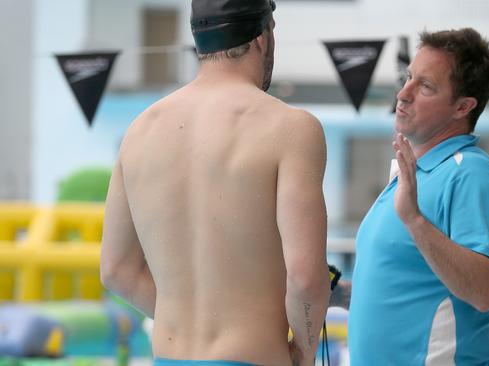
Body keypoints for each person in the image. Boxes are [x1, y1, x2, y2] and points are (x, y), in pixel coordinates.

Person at [100, 1, 331, 365]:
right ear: (262, 37)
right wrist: (303, 352)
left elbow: (116, 271)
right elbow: (305, 278)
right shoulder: (291, 129)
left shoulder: (141, 129)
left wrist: (187, 320)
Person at [330, 28, 489, 365]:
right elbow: (407, 289)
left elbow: (485, 291)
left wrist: (414, 220)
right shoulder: (417, 174)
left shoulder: (472, 176)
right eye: (408, 78)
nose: (403, 94)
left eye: (425, 86)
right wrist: (337, 293)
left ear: (463, 106)